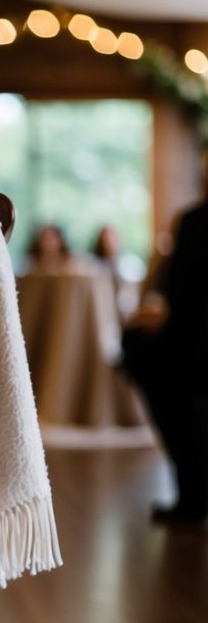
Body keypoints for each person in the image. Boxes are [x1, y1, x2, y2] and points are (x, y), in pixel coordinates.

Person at [122, 176, 208, 529]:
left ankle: (193, 495)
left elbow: (177, 295)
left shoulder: (195, 222)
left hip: (195, 347)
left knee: (138, 351)